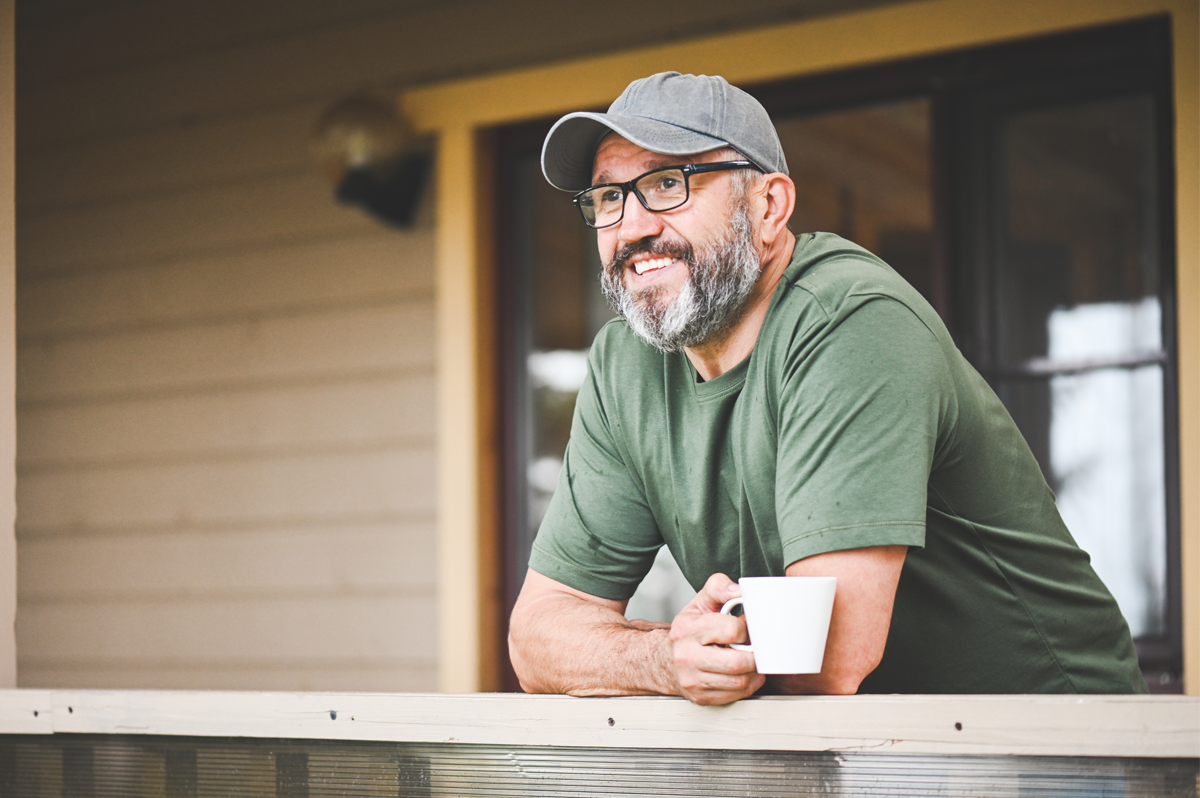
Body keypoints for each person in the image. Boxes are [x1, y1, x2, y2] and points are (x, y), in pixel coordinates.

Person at [508, 71, 1146, 705]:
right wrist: (662, 658)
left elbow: (825, 659)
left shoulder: (849, 319)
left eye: (667, 184)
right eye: (607, 198)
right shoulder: (626, 363)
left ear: (769, 207)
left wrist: (673, 653)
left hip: (1058, 742)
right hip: (875, 751)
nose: (630, 226)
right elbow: (537, 640)